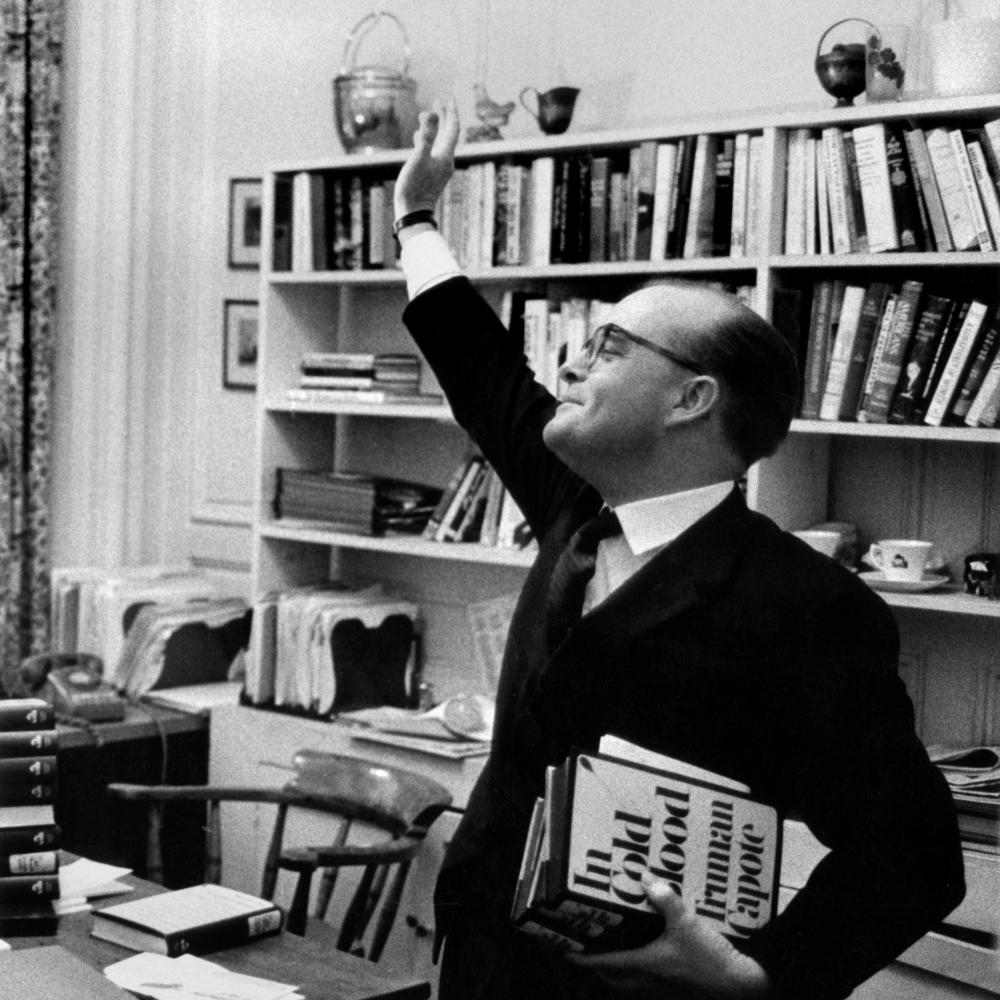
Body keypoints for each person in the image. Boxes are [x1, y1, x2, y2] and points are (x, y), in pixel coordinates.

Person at [393, 100, 964, 1000]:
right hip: (479, 967)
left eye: (609, 348)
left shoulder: (807, 605)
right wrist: (417, 217)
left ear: (692, 399)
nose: (573, 367)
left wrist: (757, 974)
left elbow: (916, 852)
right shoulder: (576, 501)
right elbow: (477, 362)